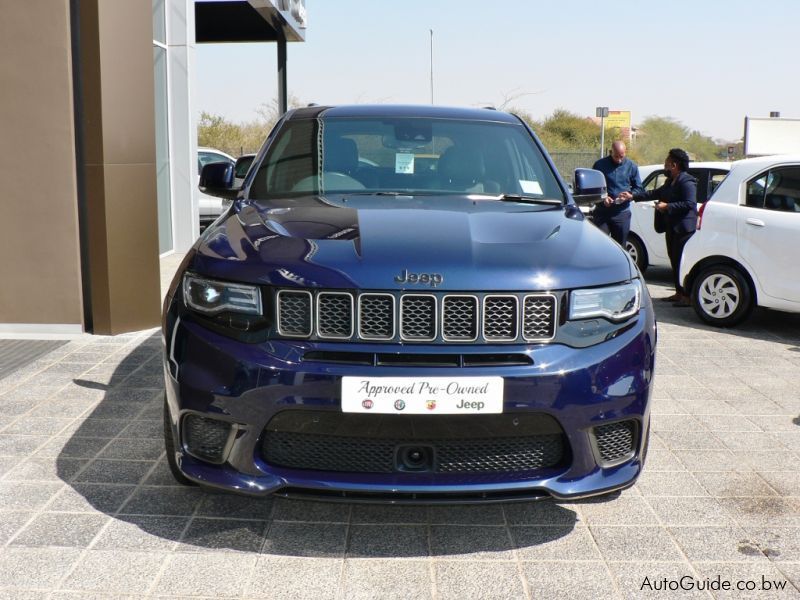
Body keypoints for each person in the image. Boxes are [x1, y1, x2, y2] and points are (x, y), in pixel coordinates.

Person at [620, 148, 697, 306]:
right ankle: (678, 293)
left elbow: (690, 204)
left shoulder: (687, 181)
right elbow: (654, 193)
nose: (665, 167)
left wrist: (667, 206)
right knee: (674, 260)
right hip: (671, 227)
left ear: (674, 165)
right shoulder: (670, 181)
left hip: (683, 229)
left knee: (681, 261)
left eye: (666, 164)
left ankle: (687, 296)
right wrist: (633, 196)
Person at [591, 141, 643, 247]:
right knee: (599, 245)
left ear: (625, 152)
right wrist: (603, 198)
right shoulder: (599, 165)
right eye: (616, 156)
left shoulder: (632, 166)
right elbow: (593, 188)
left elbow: (639, 189)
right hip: (602, 213)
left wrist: (630, 195)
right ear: (610, 152)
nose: (619, 160)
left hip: (621, 213)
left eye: (621, 156)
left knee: (620, 247)